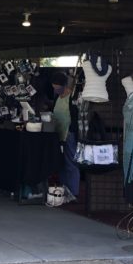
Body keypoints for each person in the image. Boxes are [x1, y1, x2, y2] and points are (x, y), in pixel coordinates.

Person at [50, 72, 79, 204]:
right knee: (61, 164)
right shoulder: (57, 98)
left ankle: (73, 192)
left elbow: (75, 117)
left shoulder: (71, 98)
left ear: (63, 85)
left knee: (71, 163)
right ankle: (63, 190)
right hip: (58, 134)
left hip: (69, 134)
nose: (55, 89)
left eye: (56, 87)